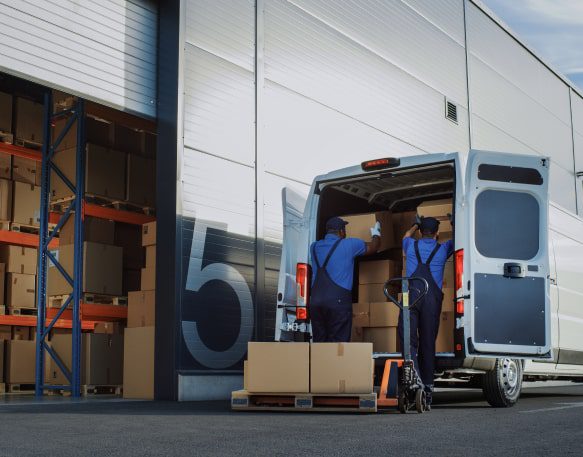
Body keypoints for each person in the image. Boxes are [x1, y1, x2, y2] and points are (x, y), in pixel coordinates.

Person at [400, 216, 454, 409]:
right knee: (427, 343)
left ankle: (414, 382)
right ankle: (428, 389)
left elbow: (405, 235)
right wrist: (454, 221)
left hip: (411, 296)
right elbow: (459, 239)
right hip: (431, 299)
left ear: (421, 232)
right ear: (437, 233)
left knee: (408, 341)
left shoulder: (410, 244)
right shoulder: (443, 248)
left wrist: (414, 224)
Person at [310, 216, 381, 342]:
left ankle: (320, 362)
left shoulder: (314, 247)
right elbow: (374, 247)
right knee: (338, 345)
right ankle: (336, 362)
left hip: (316, 302)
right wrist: (376, 233)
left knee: (319, 344)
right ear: (341, 231)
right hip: (338, 303)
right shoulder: (350, 244)